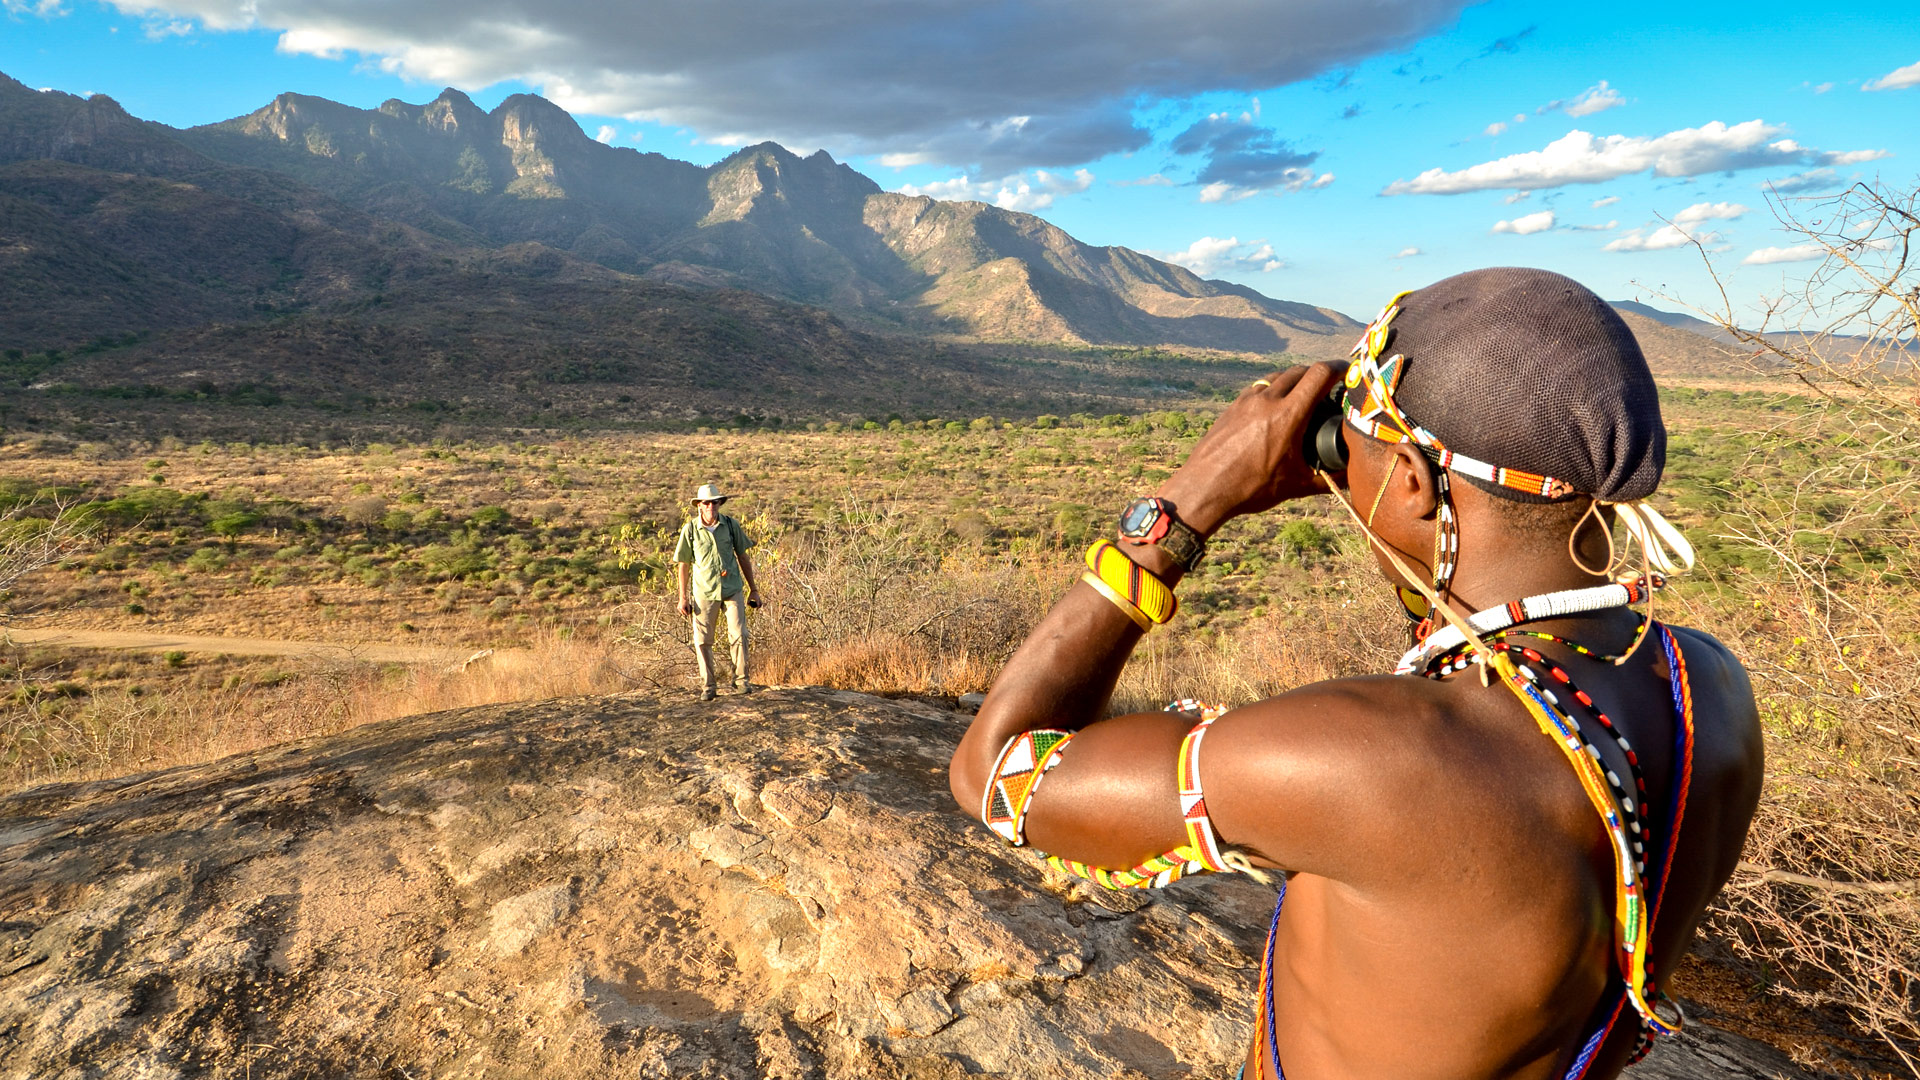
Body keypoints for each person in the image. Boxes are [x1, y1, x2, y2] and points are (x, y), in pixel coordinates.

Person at [949, 268, 1763, 1080]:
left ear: (1413, 483)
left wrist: (1189, 502)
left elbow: (995, 773)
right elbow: (1481, 654)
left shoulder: (1376, 756)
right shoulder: (1709, 687)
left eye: (1363, 455)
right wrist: (1410, 520)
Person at [674, 482, 762, 700]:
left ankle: (741, 681)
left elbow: (743, 556)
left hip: (732, 587)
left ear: (719, 504)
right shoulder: (691, 530)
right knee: (702, 639)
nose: (711, 506)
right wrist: (682, 597)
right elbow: (683, 564)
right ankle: (708, 686)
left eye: (715, 502)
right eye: (706, 502)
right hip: (704, 591)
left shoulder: (731, 525)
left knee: (739, 634)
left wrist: (754, 590)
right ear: (699, 506)